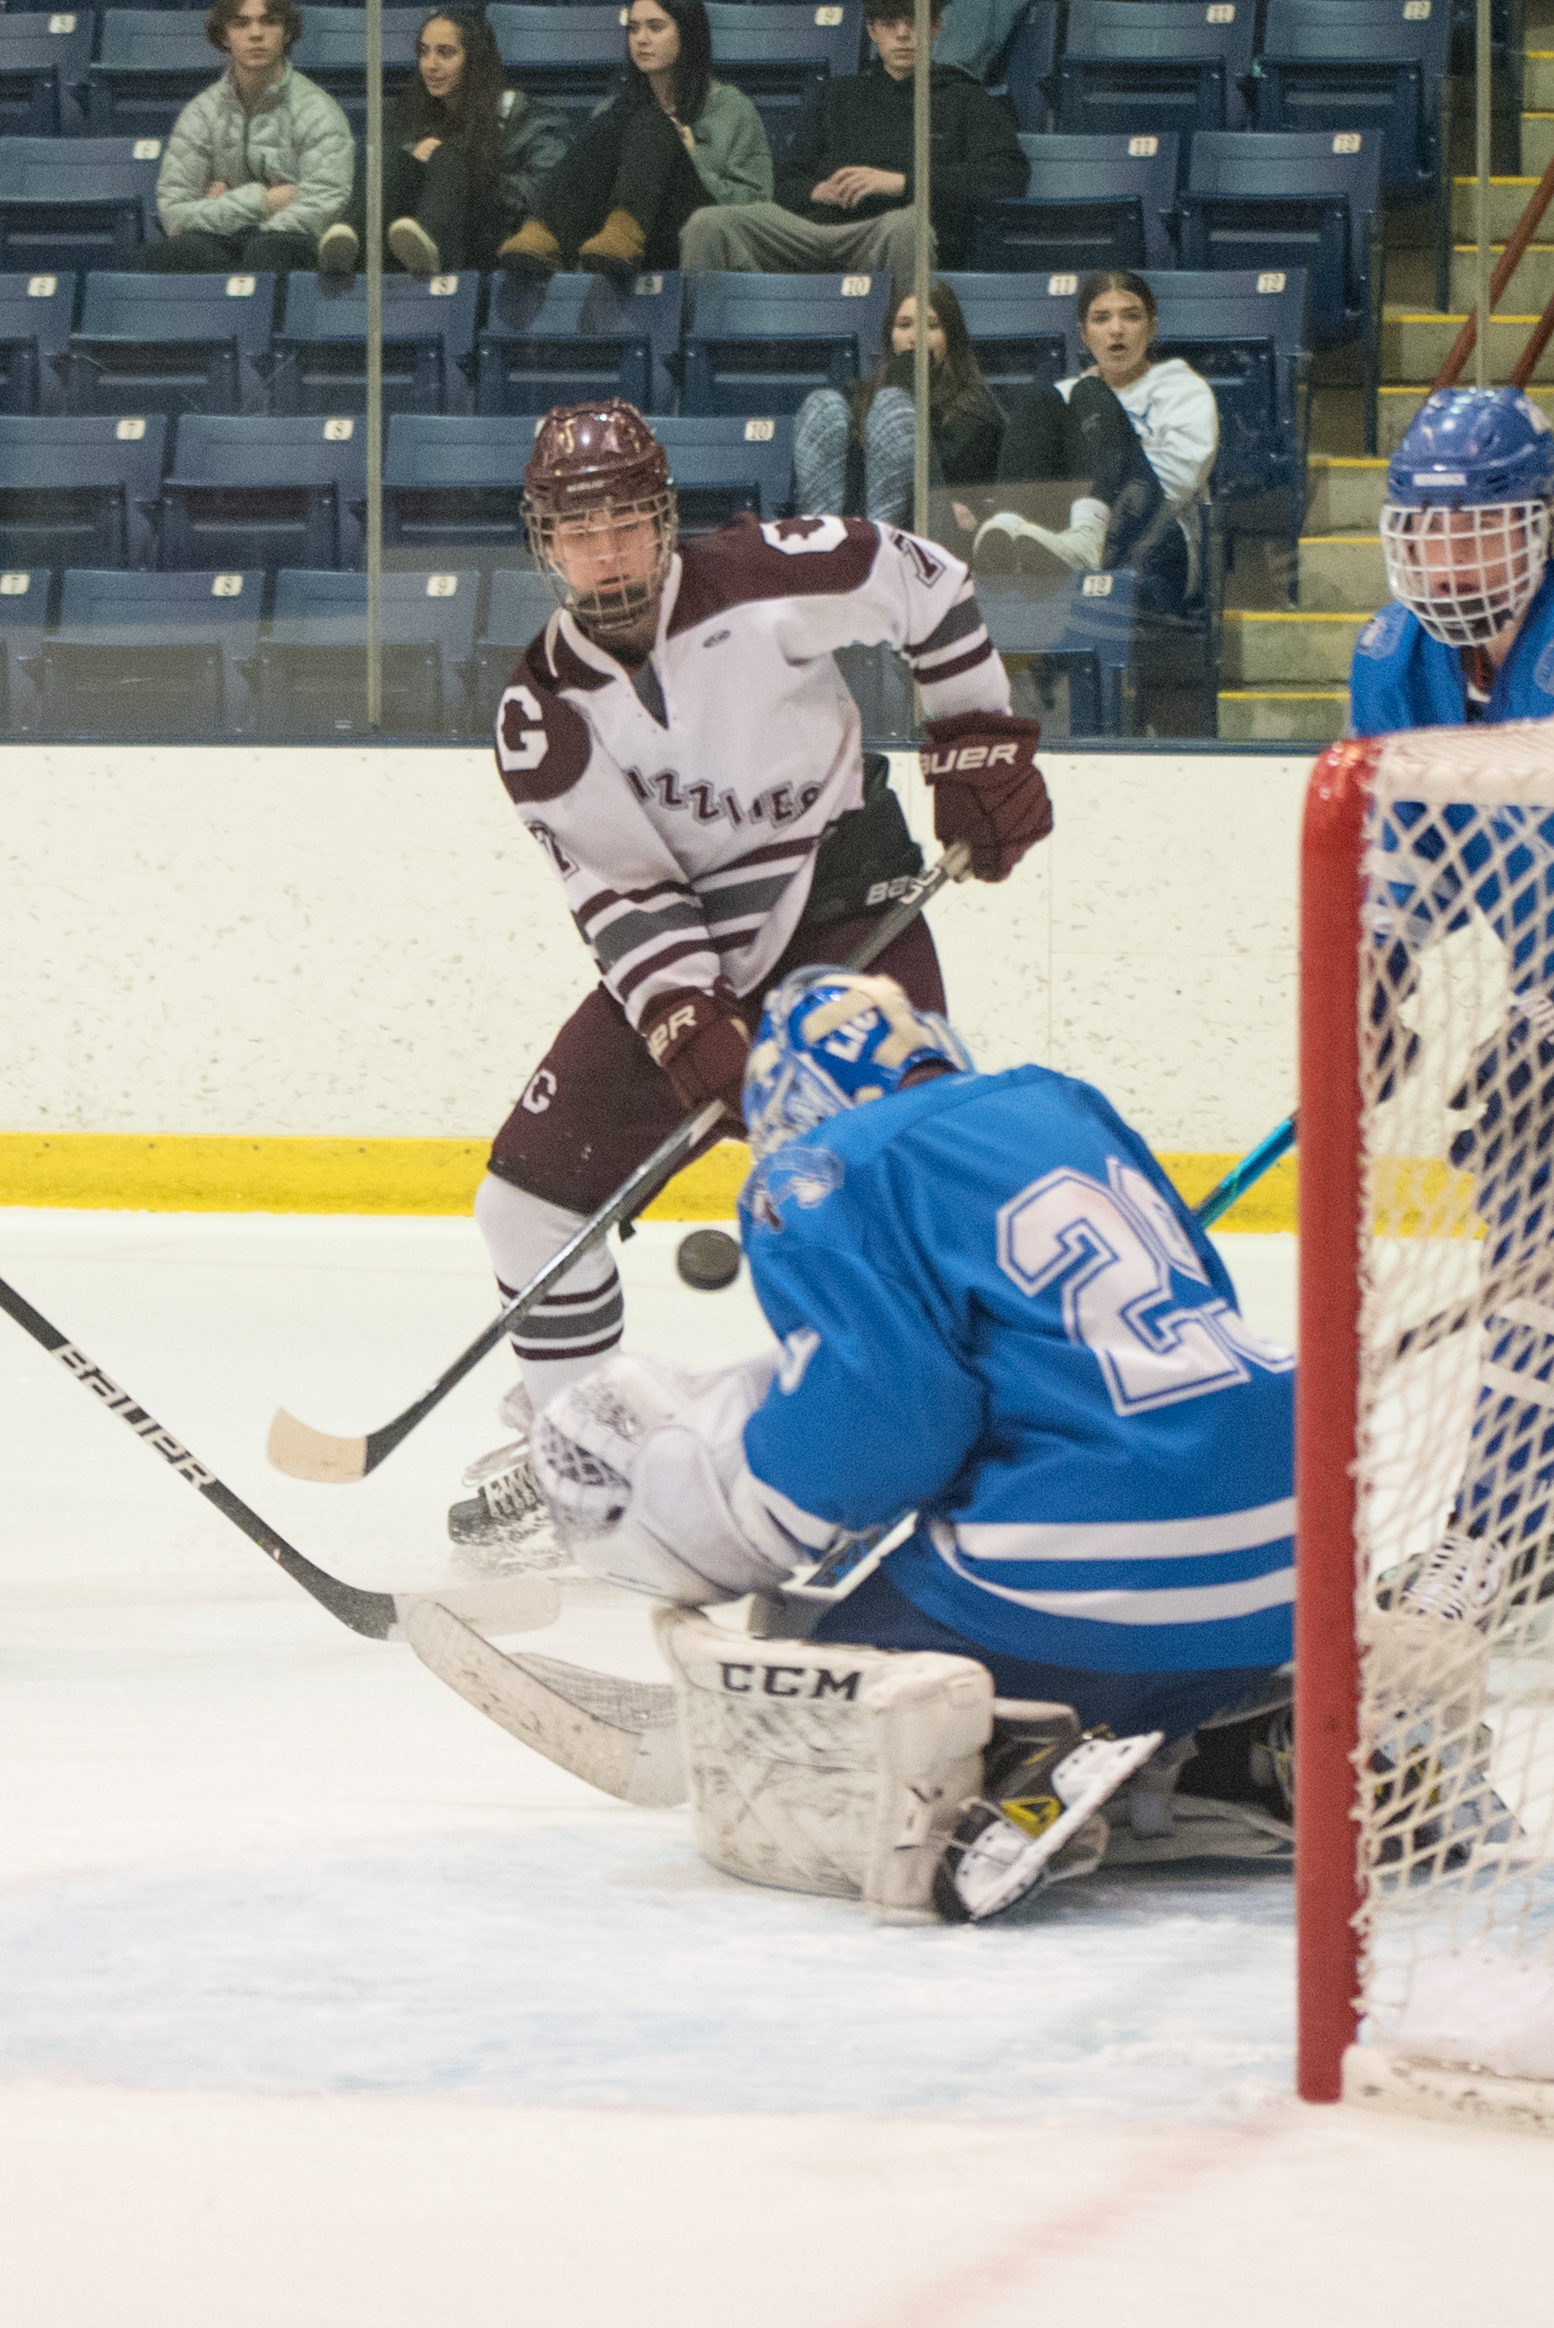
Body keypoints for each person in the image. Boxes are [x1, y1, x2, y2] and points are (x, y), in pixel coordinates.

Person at [529, 967, 1297, 1919]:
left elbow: (888, 1426)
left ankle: (1018, 1763)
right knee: (1158, 1625)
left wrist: (755, 1512)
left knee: (822, 1682)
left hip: (1093, 1574)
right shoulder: (1065, 1104)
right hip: (1292, 1554)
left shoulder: (816, 1170)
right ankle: (1227, 1751)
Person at [453, 397, 1051, 1561]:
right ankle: (586, 1463)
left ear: (664, 517)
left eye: (628, 523)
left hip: (850, 917)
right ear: (545, 544)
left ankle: (939, 1457)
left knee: (890, 1203)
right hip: (705, 969)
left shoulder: (761, 577)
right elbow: (627, 893)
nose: (608, 552)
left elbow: (925, 580)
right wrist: (689, 1026)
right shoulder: (540, 714)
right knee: (524, 1205)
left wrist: (974, 741)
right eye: (580, 531)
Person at [1347, 389, 1554, 1635]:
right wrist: (1378, 977)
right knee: (1531, 1260)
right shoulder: (1395, 661)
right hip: (1540, 996)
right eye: (1427, 531)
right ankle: (1501, 1531)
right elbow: (1410, 849)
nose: (1447, 559)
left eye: (1475, 529)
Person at [678, 3, 1028, 296]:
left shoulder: (965, 98)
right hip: (814, 233)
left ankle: (899, 349)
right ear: (872, 31)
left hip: (888, 235)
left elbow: (1008, 174)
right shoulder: (837, 94)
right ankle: (697, 346)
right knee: (709, 223)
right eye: (890, 24)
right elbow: (783, 181)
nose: (903, 34)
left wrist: (901, 183)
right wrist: (818, 190)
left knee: (907, 226)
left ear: (935, 27)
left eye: (914, 22)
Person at [969, 271, 1218, 612]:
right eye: (1101, 319)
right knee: (1039, 400)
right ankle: (1008, 532)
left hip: (1154, 543)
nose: (1116, 329)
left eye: (1131, 316)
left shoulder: (1182, 388)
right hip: (1057, 540)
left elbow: (1177, 483)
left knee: (1090, 393)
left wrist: (1103, 479)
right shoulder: (1064, 395)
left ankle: (1086, 538)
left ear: (1152, 328)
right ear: (1084, 334)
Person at [497, 0, 771, 283]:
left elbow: (757, 205)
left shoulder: (731, 107)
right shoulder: (612, 113)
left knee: (652, 121)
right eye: (633, 28)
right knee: (620, 116)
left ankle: (621, 233)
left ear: (687, 33)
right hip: (616, 249)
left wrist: (694, 158)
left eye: (656, 27)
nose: (641, 39)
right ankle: (542, 232)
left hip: (694, 234)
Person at [1349, 386, 1554, 732]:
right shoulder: (1387, 654)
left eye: (1483, 526)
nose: (1452, 557)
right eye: (1431, 527)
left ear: (1538, 531)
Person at [316, 10, 565, 277]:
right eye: (424, 52)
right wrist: (414, 159)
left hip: (481, 237)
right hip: (399, 239)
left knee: (444, 156)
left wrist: (466, 171)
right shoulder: (403, 113)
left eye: (445, 53)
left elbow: (546, 184)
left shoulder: (521, 115)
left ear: (475, 60)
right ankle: (349, 240)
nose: (431, 65)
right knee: (389, 158)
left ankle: (429, 242)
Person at [143, 0, 353, 276]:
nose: (256, 34)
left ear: (287, 32)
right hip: (225, 241)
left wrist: (225, 210)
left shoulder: (317, 109)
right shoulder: (201, 113)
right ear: (224, 36)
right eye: (241, 23)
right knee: (163, 255)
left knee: (267, 250)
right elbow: (175, 213)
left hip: (292, 240)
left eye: (269, 21)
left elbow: (327, 201)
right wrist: (263, 201)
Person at [794, 280, 1006, 527]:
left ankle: (881, 541)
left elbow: (951, 500)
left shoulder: (974, 409)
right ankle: (823, 537)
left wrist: (903, 389)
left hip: (923, 533)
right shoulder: (860, 397)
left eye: (931, 326)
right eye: (904, 325)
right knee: (824, 405)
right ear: (890, 335)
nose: (915, 338)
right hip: (853, 524)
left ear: (951, 337)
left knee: (891, 408)